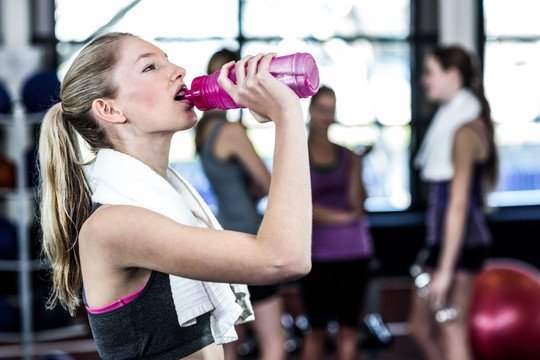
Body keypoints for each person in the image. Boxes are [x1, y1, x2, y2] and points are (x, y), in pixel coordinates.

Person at [38, 32, 312, 360]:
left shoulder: (172, 204)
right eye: (150, 67)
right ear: (109, 109)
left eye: (168, 59)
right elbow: (284, 257)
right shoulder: (113, 225)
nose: (179, 70)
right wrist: (288, 115)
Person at [195, 49, 286, 360]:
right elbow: (269, 181)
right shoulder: (231, 131)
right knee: (274, 340)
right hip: (248, 238)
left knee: (230, 342)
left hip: (222, 238)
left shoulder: (203, 131)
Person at [409, 45, 498, 360]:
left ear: (453, 75)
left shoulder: (464, 131)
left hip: (461, 245)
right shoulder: (452, 123)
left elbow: (458, 205)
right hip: (443, 242)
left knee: (451, 329)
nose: (424, 80)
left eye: (430, 72)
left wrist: (445, 270)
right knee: (419, 328)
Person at [300, 86, 374, 360]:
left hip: (354, 251)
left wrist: (357, 166)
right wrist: (343, 218)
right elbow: (301, 207)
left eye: (331, 111)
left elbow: (358, 205)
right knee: (316, 330)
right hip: (316, 253)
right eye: (321, 109)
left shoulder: (347, 156)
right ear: (310, 111)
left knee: (348, 331)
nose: (326, 116)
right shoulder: (296, 154)